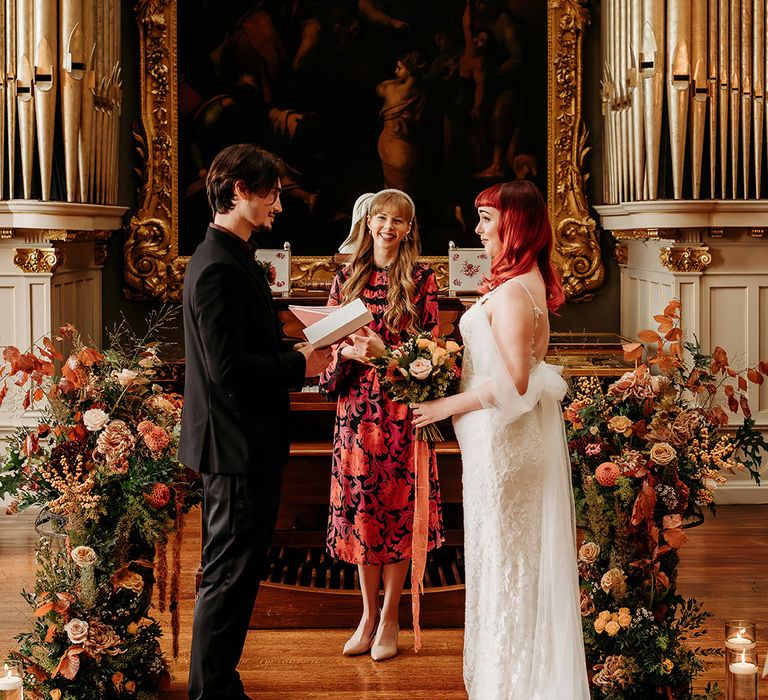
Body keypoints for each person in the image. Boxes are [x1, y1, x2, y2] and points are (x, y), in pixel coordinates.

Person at [411, 181, 589, 699]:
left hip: (503, 447)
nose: (479, 228)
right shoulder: (523, 283)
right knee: (506, 561)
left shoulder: (514, 293)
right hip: (501, 444)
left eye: (487, 219)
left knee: (506, 564)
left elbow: (514, 381)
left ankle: (509, 686)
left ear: (514, 225)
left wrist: (444, 406)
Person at [179, 144, 331, 700]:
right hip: (234, 445)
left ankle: (219, 681)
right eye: (271, 194)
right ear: (240, 190)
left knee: (237, 575)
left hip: (244, 442)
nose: (278, 207)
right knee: (227, 576)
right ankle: (210, 690)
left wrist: (300, 339)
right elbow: (229, 370)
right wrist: (303, 363)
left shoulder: (230, 255)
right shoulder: (218, 266)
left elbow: (248, 338)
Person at [319, 188, 444, 661]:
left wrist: (382, 354)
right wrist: (344, 354)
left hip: (400, 414)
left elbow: (430, 359)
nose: (387, 227)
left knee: (396, 516)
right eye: (380, 218)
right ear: (367, 221)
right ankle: (367, 615)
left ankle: (392, 616)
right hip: (354, 415)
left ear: (408, 228)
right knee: (362, 519)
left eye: (398, 220)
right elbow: (329, 354)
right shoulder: (346, 277)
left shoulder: (420, 279)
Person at [376, 53, 427, 192]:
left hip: (393, 150)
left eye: (399, 68)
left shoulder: (391, 89)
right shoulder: (422, 91)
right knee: (409, 193)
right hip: (411, 150)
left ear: (410, 70)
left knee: (395, 195)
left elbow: (379, 88)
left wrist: (392, 82)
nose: (396, 71)